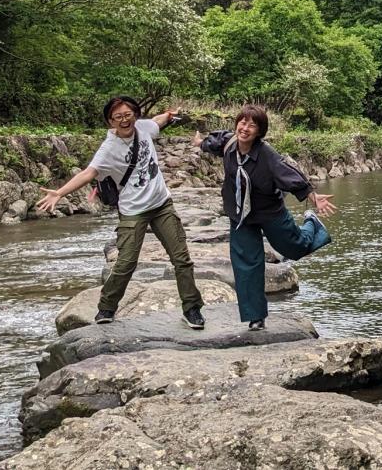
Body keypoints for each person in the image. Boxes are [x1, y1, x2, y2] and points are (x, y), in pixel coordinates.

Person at [36, 95, 206, 329]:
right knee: (125, 262)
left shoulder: (143, 127)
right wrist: (59, 193)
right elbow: (88, 173)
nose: (124, 120)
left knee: (181, 259)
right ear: (110, 121)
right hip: (133, 211)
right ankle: (106, 308)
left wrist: (168, 115)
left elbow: (157, 121)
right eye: (118, 117)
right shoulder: (108, 149)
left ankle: (192, 308)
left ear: (135, 115)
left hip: (161, 205)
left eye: (128, 115)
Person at [193, 104, 336, 330]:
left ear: (259, 132)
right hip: (240, 214)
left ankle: (312, 223)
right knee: (246, 264)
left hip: (269, 211)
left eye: (252, 125)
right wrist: (200, 143)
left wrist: (312, 196)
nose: (245, 128)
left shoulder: (267, 155)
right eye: (243, 122)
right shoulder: (230, 143)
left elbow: (290, 175)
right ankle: (256, 318)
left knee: (295, 248)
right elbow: (213, 142)